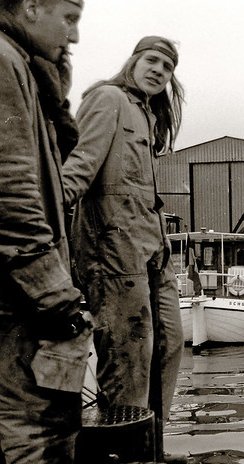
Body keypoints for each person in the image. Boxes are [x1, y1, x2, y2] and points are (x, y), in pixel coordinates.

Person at [0, 0, 89, 464]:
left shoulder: (13, 60)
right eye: (69, 18)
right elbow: (3, 189)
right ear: (29, 5)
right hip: (8, 298)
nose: (74, 34)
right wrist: (54, 293)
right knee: (37, 455)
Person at [62, 36, 185, 440]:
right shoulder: (107, 99)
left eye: (166, 68)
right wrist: (45, 214)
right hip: (112, 248)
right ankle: (125, 457)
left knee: (169, 343)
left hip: (152, 248)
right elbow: (80, 163)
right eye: (151, 61)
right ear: (132, 61)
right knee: (129, 353)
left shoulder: (146, 115)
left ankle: (153, 447)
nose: (158, 71)